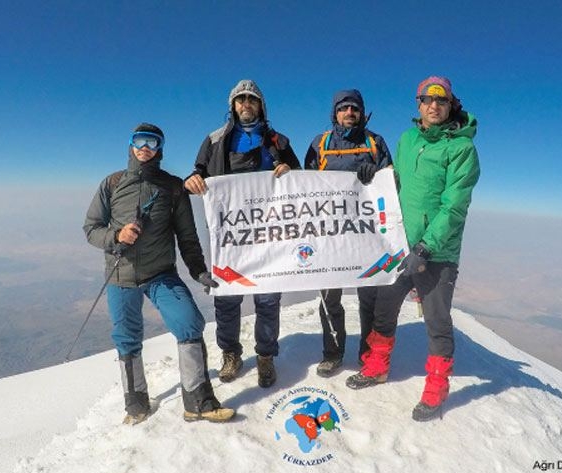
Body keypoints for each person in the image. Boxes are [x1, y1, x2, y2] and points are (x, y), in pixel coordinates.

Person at [345, 76, 481, 422]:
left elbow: (455, 206)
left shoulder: (462, 149)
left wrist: (426, 246)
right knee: (384, 308)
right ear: (418, 104)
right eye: (426, 99)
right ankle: (377, 366)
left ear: (452, 105)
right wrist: (374, 174)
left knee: (436, 320)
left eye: (441, 101)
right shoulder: (407, 140)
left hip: (438, 253)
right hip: (400, 244)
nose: (433, 106)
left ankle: (437, 386)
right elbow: (397, 181)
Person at [84, 123, 235, 425]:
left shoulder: (173, 187)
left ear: (160, 149)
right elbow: (91, 229)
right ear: (130, 145)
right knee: (126, 339)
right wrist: (117, 236)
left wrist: (199, 271)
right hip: (121, 276)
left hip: (160, 274)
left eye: (151, 142)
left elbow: (187, 237)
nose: (144, 147)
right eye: (139, 141)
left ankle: (198, 402)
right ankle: (136, 404)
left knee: (189, 322)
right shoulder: (112, 184)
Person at [185, 80, 300, 388]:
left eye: (252, 99)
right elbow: (198, 171)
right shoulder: (215, 140)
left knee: (267, 298)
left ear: (261, 105)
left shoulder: (278, 141)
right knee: (227, 298)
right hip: (231, 238)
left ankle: (265, 356)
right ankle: (230, 353)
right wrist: (194, 180)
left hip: (270, 235)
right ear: (233, 106)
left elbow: (301, 180)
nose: (246, 103)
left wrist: (288, 172)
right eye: (240, 100)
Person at [304, 89, 392, 377]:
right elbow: (303, 185)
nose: (350, 113)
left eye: (355, 108)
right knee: (330, 297)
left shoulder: (375, 142)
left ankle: (368, 356)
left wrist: (375, 174)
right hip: (329, 235)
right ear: (335, 113)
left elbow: (390, 183)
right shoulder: (321, 143)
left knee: (369, 299)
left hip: (366, 236)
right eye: (344, 108)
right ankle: (332, 353)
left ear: (362, 112)